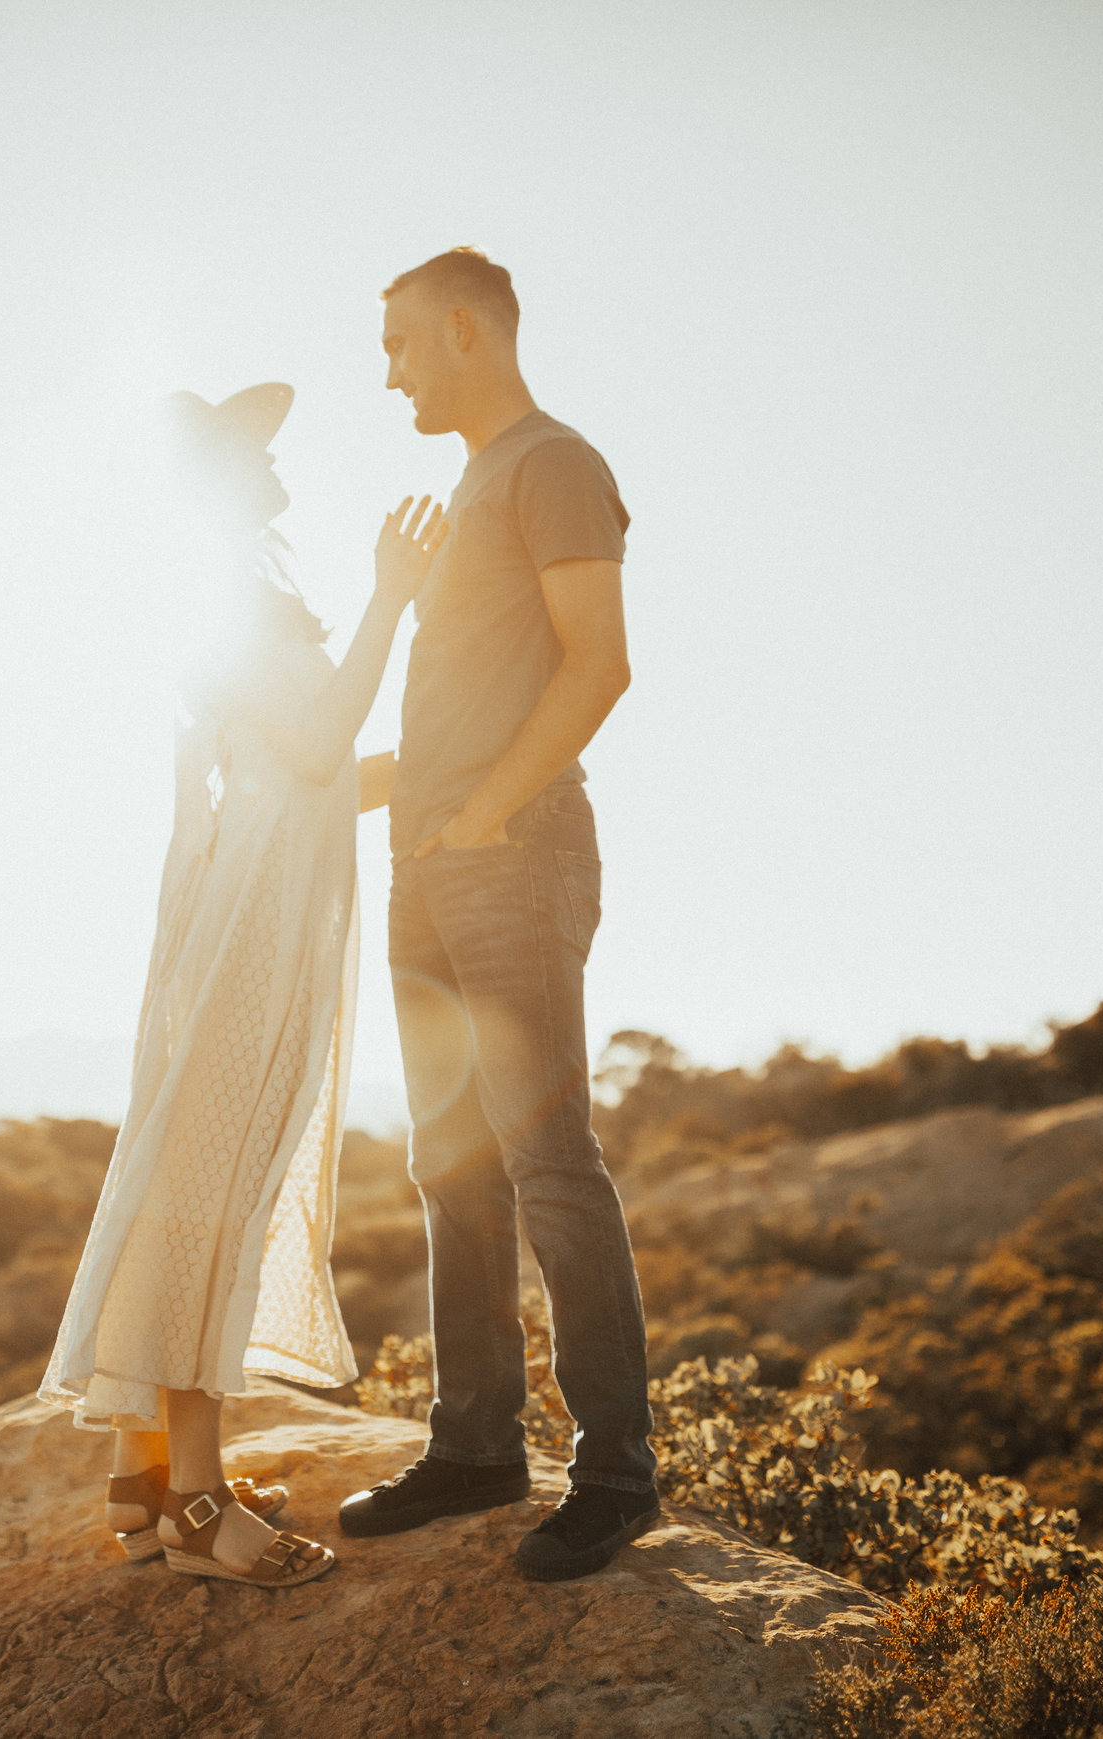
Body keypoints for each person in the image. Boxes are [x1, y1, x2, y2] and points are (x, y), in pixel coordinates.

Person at [42, 381, 445, 1588]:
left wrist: (450, 751)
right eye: (252, 452)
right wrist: (392, 594)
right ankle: (197, 1505)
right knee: (206, 1189)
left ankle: (142, 1480)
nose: (277, 467)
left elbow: (315, 779)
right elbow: (318, 748)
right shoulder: (220, 598)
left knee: (201, 1177)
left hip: (269, 910)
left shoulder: (246, 593)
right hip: (251, 930)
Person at [337, 248, 659, 1582]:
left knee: (546, 1162)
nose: (390, 373)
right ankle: (474, 1444)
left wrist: (482, 814)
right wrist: (309, 794)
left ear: (466, 329)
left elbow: (602, 664)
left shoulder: (552, 463)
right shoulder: (471, 484)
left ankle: (616, 1473)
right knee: (448, 1161)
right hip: (428, 867)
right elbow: (453, 718)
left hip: (514, 858)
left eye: (401, 343)